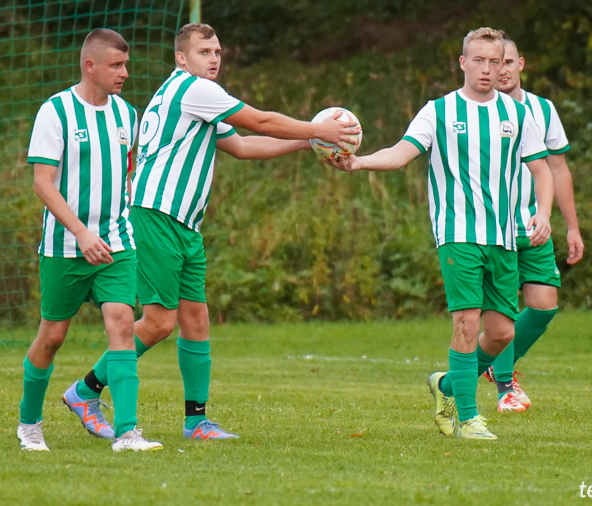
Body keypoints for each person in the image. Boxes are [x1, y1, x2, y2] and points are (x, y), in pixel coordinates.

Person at [62, 22, 360, 441]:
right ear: (182, 58)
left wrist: (308, 144)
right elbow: (260, 120)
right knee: (160, 322)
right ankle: (85, 391)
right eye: (205, 51)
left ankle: (196, 421)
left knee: (196, 319)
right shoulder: (193, 89)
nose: (215, 58)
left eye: (218, 51)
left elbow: (241, 146)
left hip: (184, 224)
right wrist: (318, 130)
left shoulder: (194, 95)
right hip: (156, 215)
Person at [328, 27, 554, 440]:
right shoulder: (439, 111)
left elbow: (542, 170)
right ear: (463, 62)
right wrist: (359, 163)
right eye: (479, 60)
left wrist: (544, 213)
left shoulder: (519, 114)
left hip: (504, 238)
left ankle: (446, 384)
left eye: (495, 61)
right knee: (467, 323)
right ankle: (468, 417)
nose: (488, 69)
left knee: (502, 332)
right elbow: (401, 153)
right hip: (458, 234)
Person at [18, 28, 161, 452]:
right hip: (65, 246)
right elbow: (43, 184)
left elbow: (127, 173)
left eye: (126, 64)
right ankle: (29, 425)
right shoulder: (55, 112)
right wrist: (80, 233)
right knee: (52, 336)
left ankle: (128, 432)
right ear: (90, 65)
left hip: (116, 243)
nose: (124, 73)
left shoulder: (127, 116)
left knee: (120, 323)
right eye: (116, 65)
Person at [481, 36, 584, 412]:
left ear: (520, 64)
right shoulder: (481, 111)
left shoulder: (542, 109)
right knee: (504, 309)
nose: (500, 70)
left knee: (543, 305)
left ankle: (494, 366)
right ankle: (506, 387)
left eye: (506, 62)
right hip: (495, 228)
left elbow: (558, 168)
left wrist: (571, 226)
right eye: (493, 63)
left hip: (534, 225)